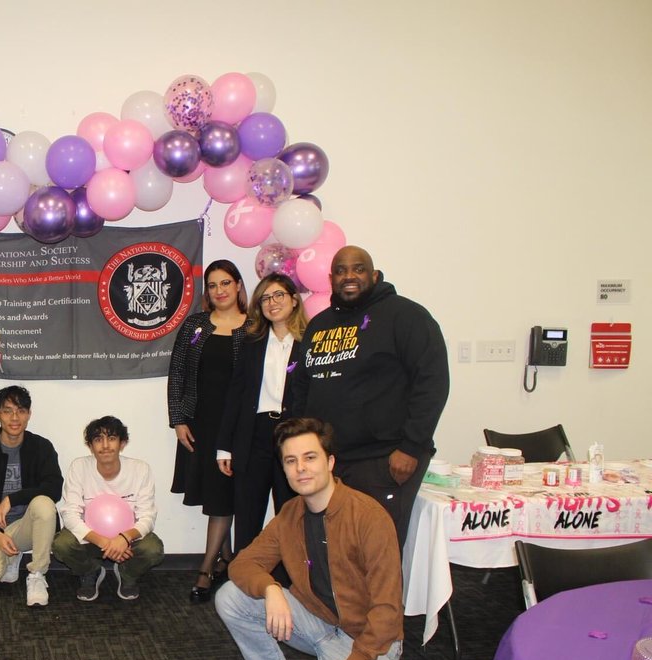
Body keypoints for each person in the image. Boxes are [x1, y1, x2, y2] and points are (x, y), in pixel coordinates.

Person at [214, 417, 403, 660]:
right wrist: (271, 589)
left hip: (369, 640)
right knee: (232, 597)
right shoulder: (291, 514)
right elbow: (243, 564)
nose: (301, 468)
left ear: (330, 462)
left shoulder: (369, 518)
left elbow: (388, 610)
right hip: (318, 622)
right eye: (291, 461)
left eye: (310, 457)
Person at [290, 245, 449, 546]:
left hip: (385, 459)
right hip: (332, 462)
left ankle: (383, 597)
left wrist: (412, 447)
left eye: (358, 269)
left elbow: (432, 381)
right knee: (333, 545)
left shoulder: (405, 316)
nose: (349, 276)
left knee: (377, 549)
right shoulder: (319, 326)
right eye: (340, 270)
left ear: (374, 275)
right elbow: (301, 384)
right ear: (330, 278)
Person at [167, 259, 249, 603]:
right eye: (213, 285)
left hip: (239, 426)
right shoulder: (196, 326)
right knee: (218, 494)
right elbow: (178, 375)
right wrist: (178, 420)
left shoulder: (255, 327)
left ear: (239, 286)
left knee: (222, 496)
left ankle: (205, 567)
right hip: (201, 423)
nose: (219, 291)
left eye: (226, 283)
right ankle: (226, 559)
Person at [216, 274, 308, 560]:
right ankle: (245, 581)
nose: (272, 303)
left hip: (294, 436)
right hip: (254, 435)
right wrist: (224, 446)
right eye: (266, 298)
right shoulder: (251, 343)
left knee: (292, 515)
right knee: (248, 516)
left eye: (279, 295)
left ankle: (292, 584)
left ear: (294, 300)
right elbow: (235, 396)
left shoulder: (311, 343)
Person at [0, 385, 63, 606]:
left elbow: (54, 487)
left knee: (44, 505)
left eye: (21, 411)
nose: (15, 418)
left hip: (27, 526)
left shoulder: (41, 447)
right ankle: (11, 555)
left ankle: (37, 575)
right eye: (8, 411)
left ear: (29, 414)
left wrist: (13, 499)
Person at [53, 416, 165, 601]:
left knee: (153, 548)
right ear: (90, 446)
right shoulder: (79, 467)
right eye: (98, 439)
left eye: (112, 438)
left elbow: (148, 517)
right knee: (61, 544)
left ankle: (127, 574)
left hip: (126, 541)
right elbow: (70, 515)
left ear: (122, 443)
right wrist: (104, 542)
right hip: (91, 539)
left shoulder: (140, 469)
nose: (105, 445)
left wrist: (123, 538)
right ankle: (90, 572)